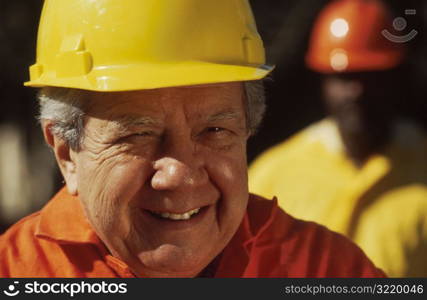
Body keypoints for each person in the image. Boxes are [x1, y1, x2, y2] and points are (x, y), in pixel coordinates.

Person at [0, 0, 384, 278]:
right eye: (139, 134)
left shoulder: (327, 271)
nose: (181, 176)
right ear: (66, 154)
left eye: (215, 131)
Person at [249, 0, 427, 277]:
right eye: (345, 77)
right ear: (323, 81)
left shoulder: (421, 169)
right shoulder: (273, 177)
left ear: (395, 78)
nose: (356, 91)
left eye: (370, 76)